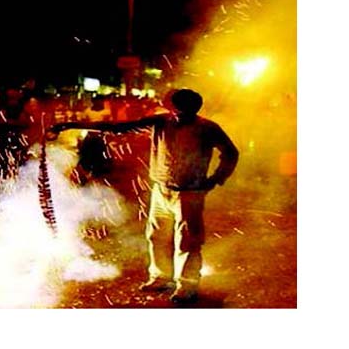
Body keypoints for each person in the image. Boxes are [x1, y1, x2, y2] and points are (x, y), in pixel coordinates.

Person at [49, 88, 239, 304]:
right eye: (176, 109)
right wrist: (70, 125)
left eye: (183, 110)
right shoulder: (162, 121)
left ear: (194, 109)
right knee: (156, 235)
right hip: (161, 189)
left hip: (189, 192)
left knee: (188, 241)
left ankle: (187, 286)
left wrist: (215, 179)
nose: (178, 114)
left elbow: (231, 153)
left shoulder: (207, 128)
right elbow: (118, 127)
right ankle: (160, 277)